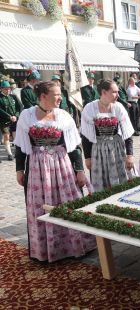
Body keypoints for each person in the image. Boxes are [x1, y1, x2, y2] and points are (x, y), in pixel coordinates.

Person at [14, 81, 95, 262]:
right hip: (38, 168)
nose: (60, 98)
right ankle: (45, 249)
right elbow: (20, 146)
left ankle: (74, 244)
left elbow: (74, 147)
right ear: (43, 96)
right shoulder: (27, 116)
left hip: (62, 165)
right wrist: (20, 169)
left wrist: (79, 170)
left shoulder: (64, 116)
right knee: (40, 205)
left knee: (68, 201)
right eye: (57, 95)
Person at [80, 80, 135, 192]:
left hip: (117, 149)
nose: (117, 95)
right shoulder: (89, 108)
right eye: (114, 92)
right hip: (98, 150)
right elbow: (85, 136)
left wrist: (130, 155)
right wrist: (87, 157)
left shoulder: (118, 107)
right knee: (101, 184)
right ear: (104, 92)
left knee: (121, 182)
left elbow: (128, 133)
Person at [0, 80, 21, 160]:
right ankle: (9, 154)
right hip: (4, 121)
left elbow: (18, 108)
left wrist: (16, 116)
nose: (8, 90)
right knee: (7, 136)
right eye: (5, 89)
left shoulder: (13, 97)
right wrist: (9, 117)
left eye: (9, 88)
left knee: (16, 137)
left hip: (14, 120)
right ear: (1, 89)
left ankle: (17, 152)